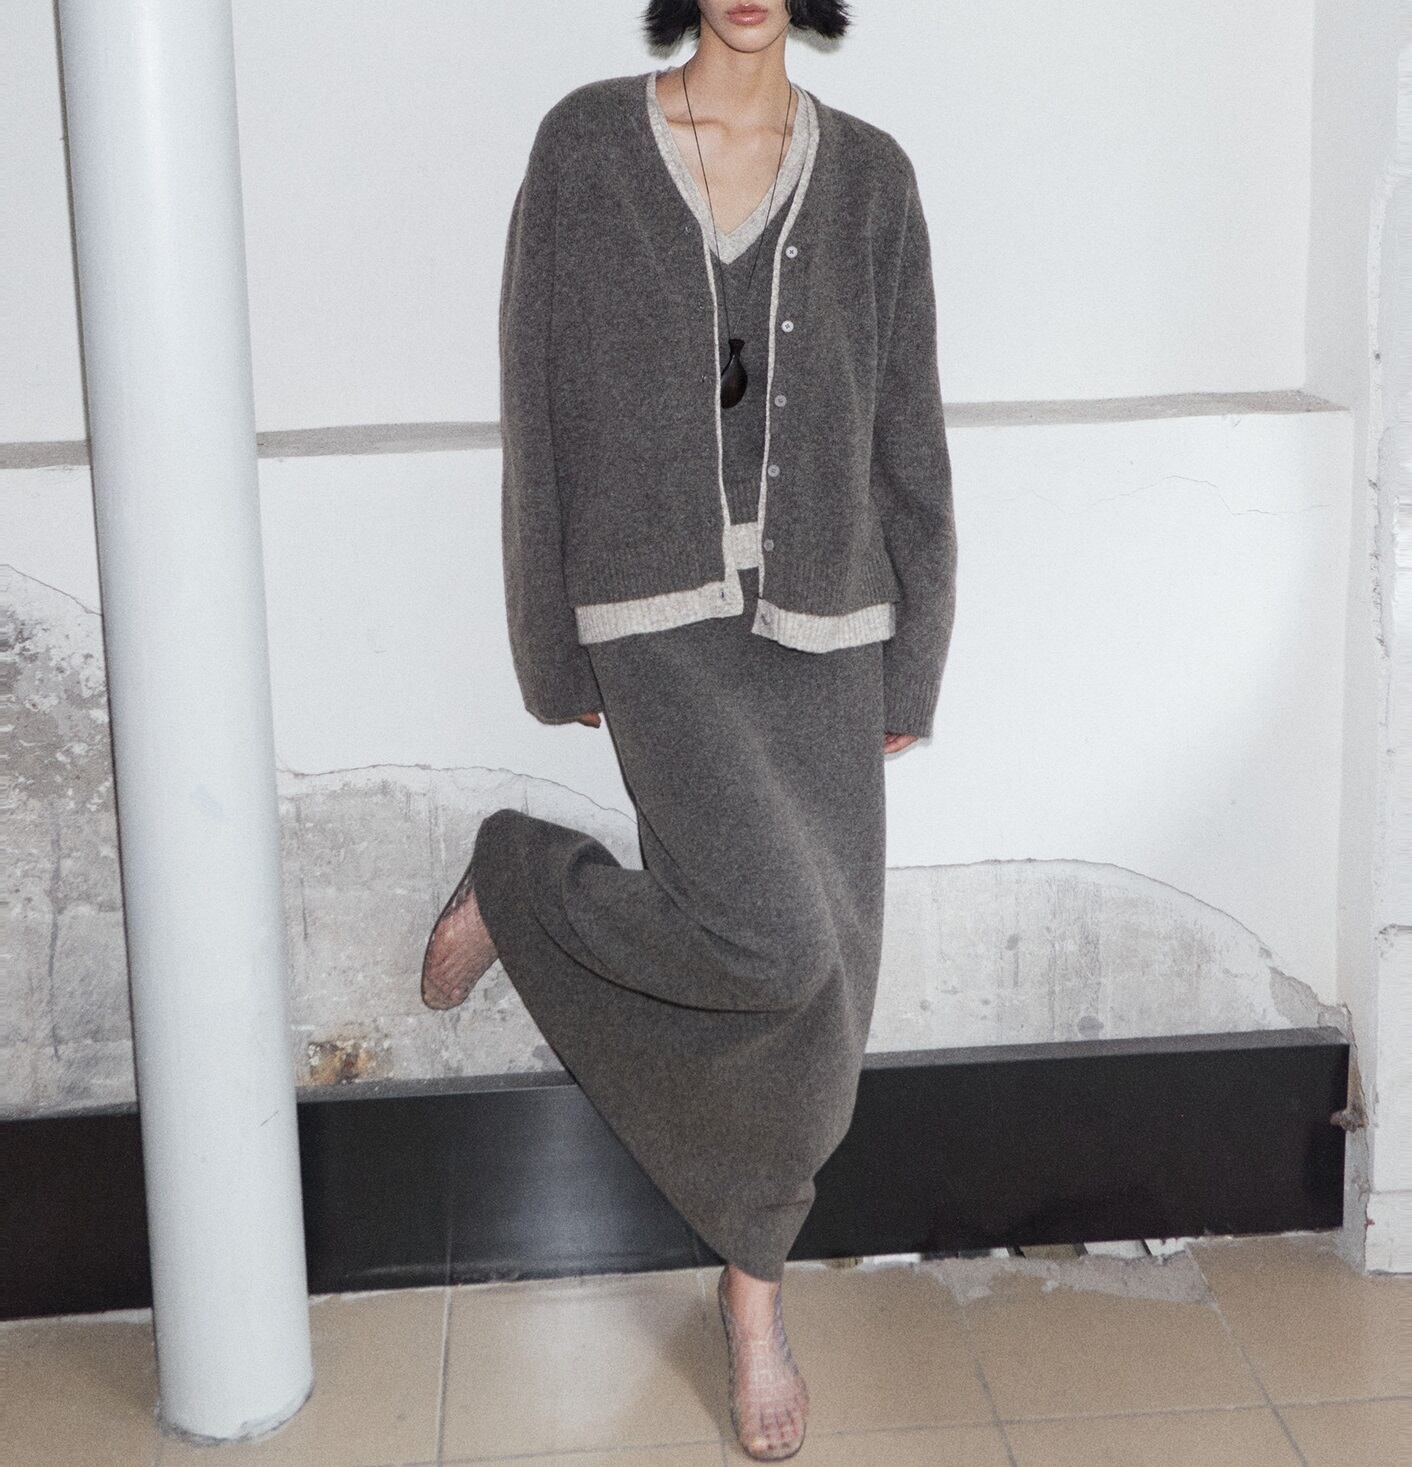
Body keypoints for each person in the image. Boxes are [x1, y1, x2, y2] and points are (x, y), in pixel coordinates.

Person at [420, 0, 955, 1458]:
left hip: (828, 626)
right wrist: (552, 648)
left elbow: (910, 429)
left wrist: (912, 662)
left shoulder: (874, 178)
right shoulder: (589, 147)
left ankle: (753, 1293)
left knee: (828, 1001)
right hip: (652, 618)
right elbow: (536, 406)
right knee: (774, 945)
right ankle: (526, 880)